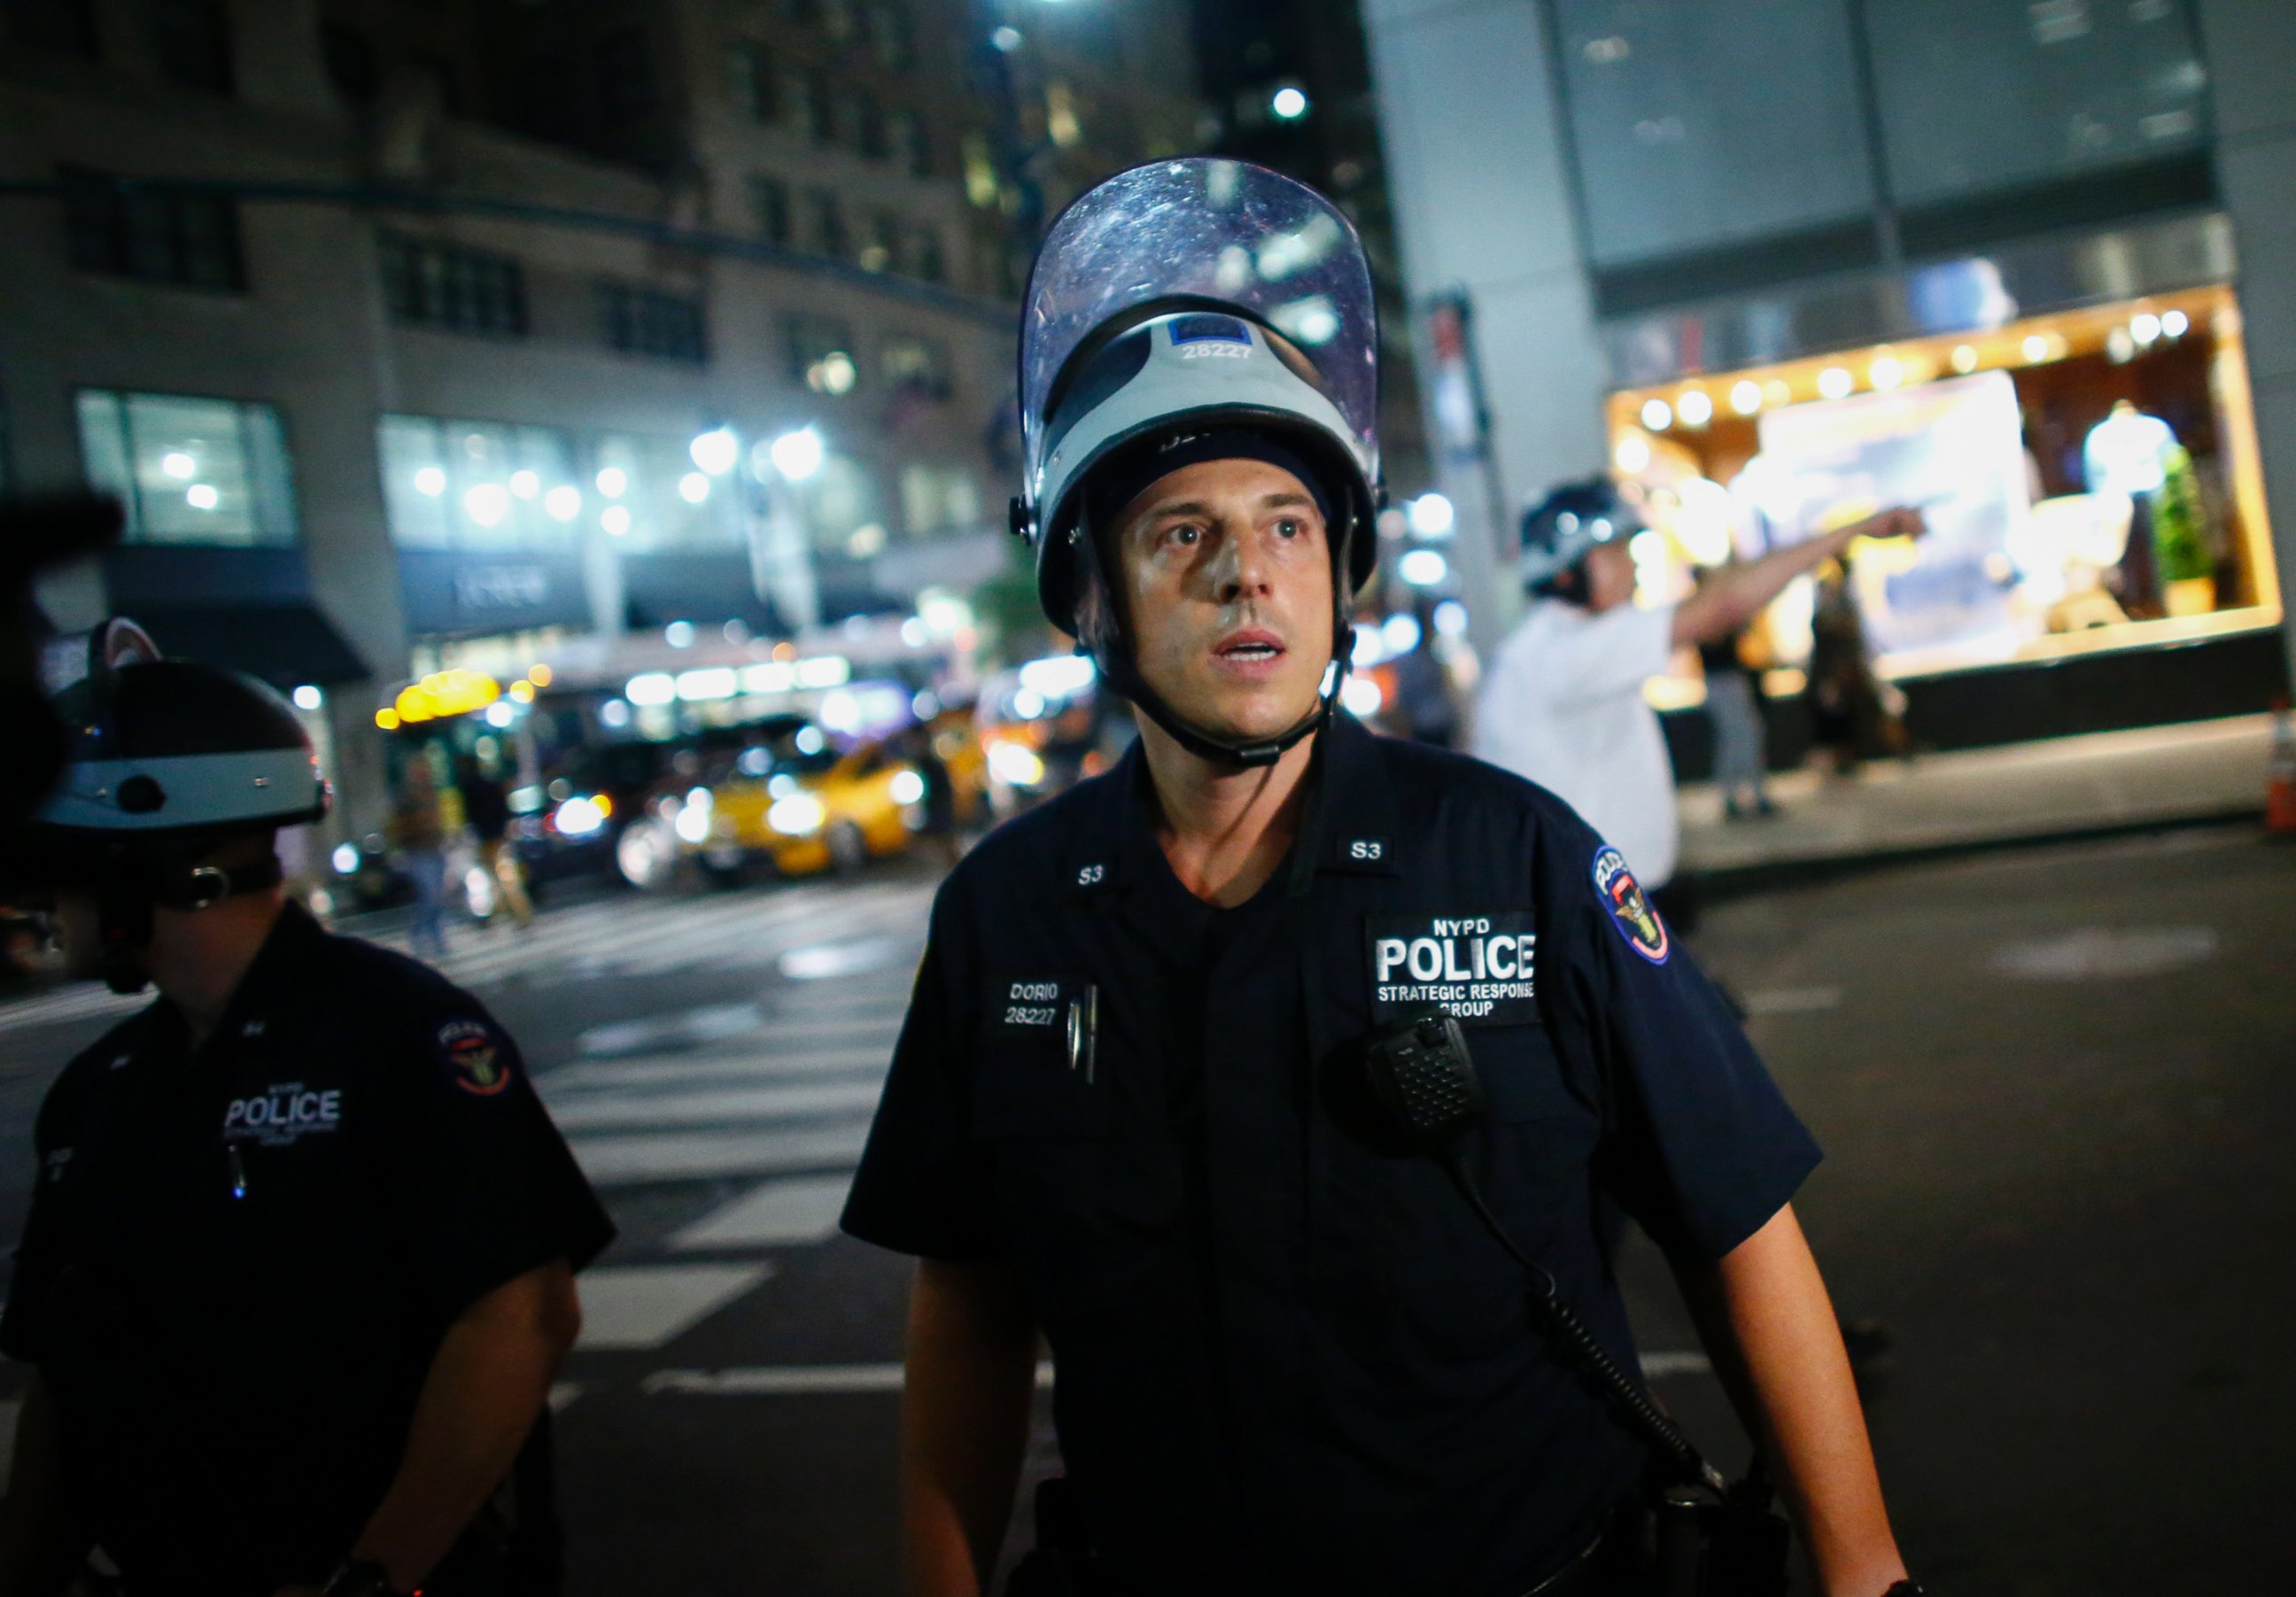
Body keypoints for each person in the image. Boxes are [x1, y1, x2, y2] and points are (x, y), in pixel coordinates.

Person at [842, 159, 1920, 1597]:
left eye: (1289, 524)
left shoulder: (1514, 856)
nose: (1250, 576)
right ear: (1090, 593)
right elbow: (970, 1304)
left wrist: (1865, 1574)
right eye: (1183, 535)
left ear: (1339, 568)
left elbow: (1732, 1222)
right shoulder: (1005, 914)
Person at [0, 622, 614, 1597]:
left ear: (151, 854)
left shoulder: (398, 1034)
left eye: (65, 857)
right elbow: (62, 1376)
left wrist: (373, 1576)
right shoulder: (98, 1090)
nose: (33, 895)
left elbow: (523, 1315)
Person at [1475, 479, 1923, 906]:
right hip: (1592, 912)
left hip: (1606, 901)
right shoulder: (1560, 654)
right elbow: (1724, 605)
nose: (1633, 564)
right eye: (1615, 552)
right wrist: (1853, 531)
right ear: (1568, 572)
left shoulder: (1557, 644)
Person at [1698, 621, 1773, 819]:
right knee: (1735, 739)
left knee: (1748, 736)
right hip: (1721, 679)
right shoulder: (1710, 618)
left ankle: (1752, 794)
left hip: (1730, 677)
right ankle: (1734, 796)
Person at [456, 753, 534, 930]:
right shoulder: (490, 784)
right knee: (502, 877)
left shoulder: (469, 788)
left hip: (488, 838)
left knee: (500, 878)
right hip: (497, 836)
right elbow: (503, 810)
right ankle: (510, 913)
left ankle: (512, 913)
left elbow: (471, 816)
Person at [392, 756, 449, 958]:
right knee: (428, 895)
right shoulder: (407, 797)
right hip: (418, 851)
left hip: (434, 848)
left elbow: (439, 819)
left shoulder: (432, 793)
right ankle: (420, 933)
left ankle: (435, 934)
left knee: (436, 896)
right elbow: (398, 824)